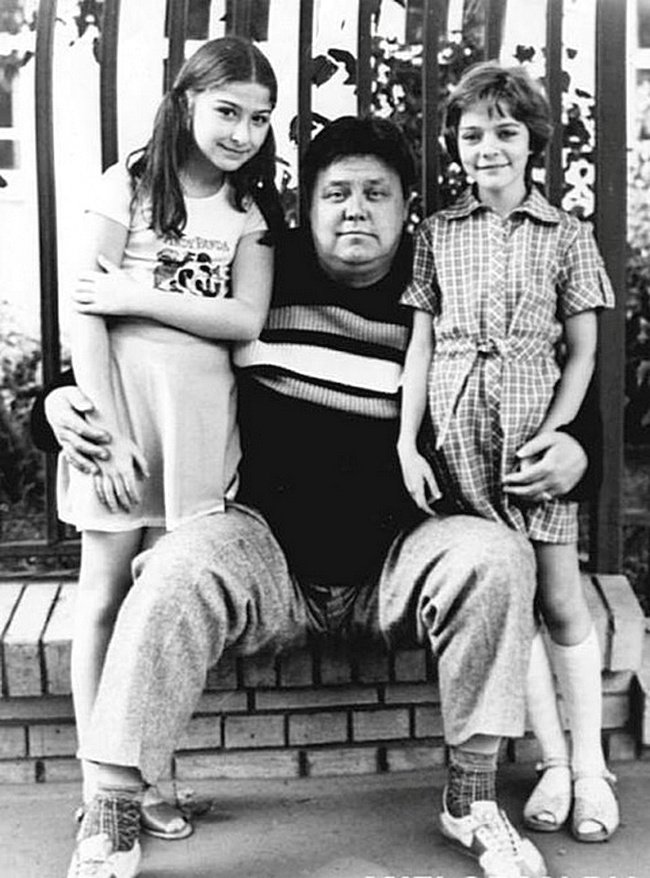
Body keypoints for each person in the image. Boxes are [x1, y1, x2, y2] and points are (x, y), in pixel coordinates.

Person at [32, 116, 598, 878]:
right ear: (309, 205)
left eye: (376, 193)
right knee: (173, 567)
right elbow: (148, 342)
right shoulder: (262, 274)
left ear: (409, 206)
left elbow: (532, 370)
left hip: (401, 557)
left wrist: (580, 447)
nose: (355, 210)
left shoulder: (440, 285)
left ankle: (471, 799)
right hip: (265, 551)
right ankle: (112, 811)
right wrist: (53, 404)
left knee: (497, 557)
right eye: (337, 193)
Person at [57, 35, 281, 843]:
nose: (243, 133)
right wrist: (108, 431)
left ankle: (151, 775)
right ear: (186, 102)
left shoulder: (249, 212)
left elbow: (244, 319)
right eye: (227, 111)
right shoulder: (129, 183)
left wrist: (138, 294)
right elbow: (87, 309)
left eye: (260, 117)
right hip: (126, 420)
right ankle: (100, 780)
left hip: (198, 429)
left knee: (161, 607)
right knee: (104, 597)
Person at [397, 61, 618, 843]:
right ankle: (552, 764)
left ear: (533, 142)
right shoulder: (437, 233)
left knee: (558, 598)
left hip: (529, 438)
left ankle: (590, 768)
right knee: (507, 602)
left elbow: (583, 352)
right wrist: (407, 442)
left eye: (505, 132)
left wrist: (559, 431)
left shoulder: (566, 234)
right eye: (471, 134)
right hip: (460, 441)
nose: (487, 147)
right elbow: (421, 345)